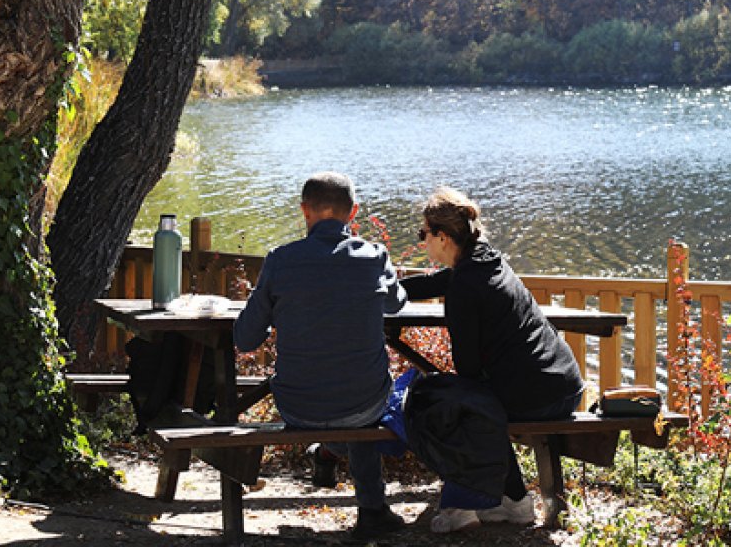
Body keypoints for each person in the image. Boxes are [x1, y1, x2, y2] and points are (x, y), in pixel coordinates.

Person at [233, 172, 408, 541]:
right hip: (364, 404)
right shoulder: (374, 256)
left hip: (298, 406)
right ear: (353, 212)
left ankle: (328, 453)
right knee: (362, 398)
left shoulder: (280, 260)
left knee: (347, 397)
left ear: (304, 211)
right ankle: (371, 509)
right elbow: (397, 304)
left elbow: (246, 338)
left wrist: (273, 319)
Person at [401, 186, 586, 533]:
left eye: (423, 233)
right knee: (471, 397)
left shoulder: (465, 290)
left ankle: (465, 505)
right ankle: (512, 501)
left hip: (538, 396)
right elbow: (449, 278)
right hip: (562, 381)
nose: (421, 240)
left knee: (448, 403)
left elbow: (468, 371)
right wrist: (396, 289)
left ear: (442, 237)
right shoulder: (486, 258)